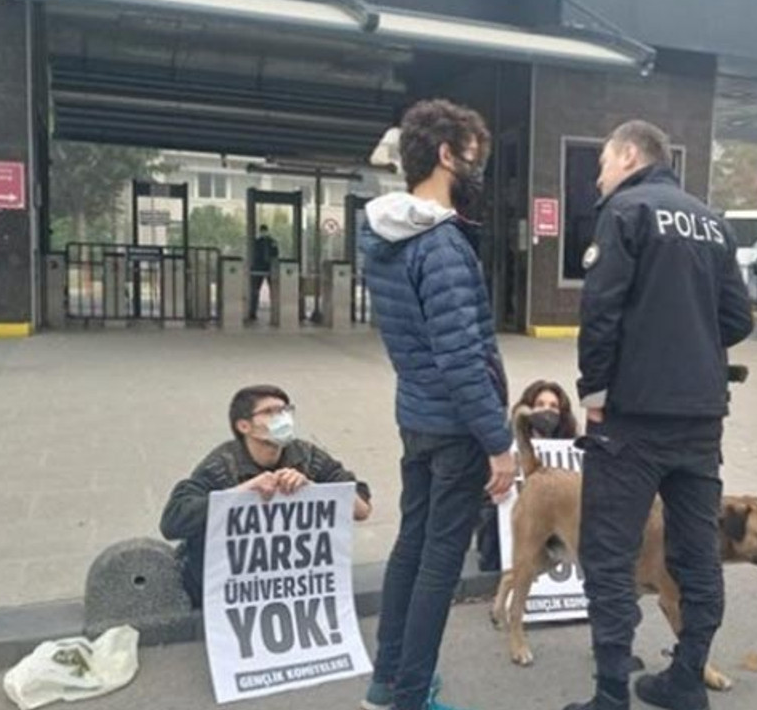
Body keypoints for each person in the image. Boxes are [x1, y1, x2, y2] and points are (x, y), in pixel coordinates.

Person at [566, 120, 753, 710]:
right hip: (700, 418)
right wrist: (691, 341)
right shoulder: (712, 221)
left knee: (609, 554)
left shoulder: (626, 211)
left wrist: (593, 394)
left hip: (633, 419)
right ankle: (687, 677)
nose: (599, 177)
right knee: (697, 553)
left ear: (628, 154)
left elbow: (600, 310)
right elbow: (739, 320)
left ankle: (609, 695)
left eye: (602, 163)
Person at [358, 99, 516, 710]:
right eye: (474, 160)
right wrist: (498, 443)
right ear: (447, 155)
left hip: (416, 415)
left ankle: (387, 677)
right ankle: (410, 692)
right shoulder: (443, 245)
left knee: (412, 545)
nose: (479, 173)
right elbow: (461, 357)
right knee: (439, 564)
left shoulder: (387, 234)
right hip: (454, 427)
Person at [159, 385, 372, 607]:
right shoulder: (221, 466)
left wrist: (313, 488)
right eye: (270, 412)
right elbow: (173, 522)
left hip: (287, 583)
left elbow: (361, 509)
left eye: (285, 410)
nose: (282, 418)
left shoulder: (307, 456)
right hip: (228, 585)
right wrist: (243, 492)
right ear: (244, 426)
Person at [475, 380, 580, 572]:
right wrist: (494, 492)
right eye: (540, 405)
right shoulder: (504, 450)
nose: (546, 411)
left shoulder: (574, 453)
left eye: (553, 406)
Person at [248, 224, 279, 322]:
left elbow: (276, 254)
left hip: (270, 268)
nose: (263, 233)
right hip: (259, 268)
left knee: (273, 291)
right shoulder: (257, 242)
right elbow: (254, 255)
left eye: (264, 231)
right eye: (262, 231)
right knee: (255, 291)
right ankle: (253, 312)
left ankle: (275, 311)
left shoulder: (272, 242)